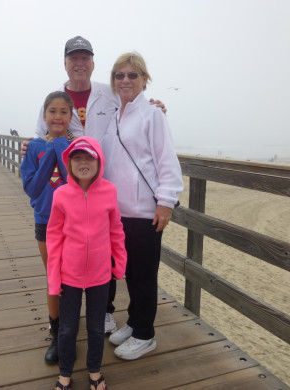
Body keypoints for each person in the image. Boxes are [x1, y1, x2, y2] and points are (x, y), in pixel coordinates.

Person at [30, 35, 167, 336]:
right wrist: (33, 145)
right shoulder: (55, 100)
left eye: (85, 58)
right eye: (73, 58)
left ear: (92, 64)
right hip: (68, 195)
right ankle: (66, 325)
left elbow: (135, 109)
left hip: (105, 192)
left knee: (106, 251)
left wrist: (155, 105)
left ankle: (104, 312)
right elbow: (42, 138)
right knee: (77, 256)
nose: (79, 64)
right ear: (65, 64)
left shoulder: (110, 93)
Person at [102, 52, 184, 361]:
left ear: (144, 79)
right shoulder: (114, 116)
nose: (125, 80)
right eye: (119, 75)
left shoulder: (152, 114)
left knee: (144, 275)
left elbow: (166, 161)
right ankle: (135, 320)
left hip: (145, 211)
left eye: (132, 75)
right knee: (128, 272)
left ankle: (145, 335)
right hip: (117, 211)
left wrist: (166, 203)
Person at [47, 136, 127, 390]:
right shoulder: (61, 194)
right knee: (68, 329)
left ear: (99, 161)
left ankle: (94, 371)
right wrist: (54, 278)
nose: (83, 162)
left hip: (100, 274)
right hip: (68, 274)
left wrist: (119, 263)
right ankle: (65, 374)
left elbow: (116, 230)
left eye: (88, 157)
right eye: (77, 158)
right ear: (68, 163)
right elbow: (54, 237)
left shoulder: (109, 191)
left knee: (95, 328)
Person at [20, 91, 75, 365]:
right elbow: (32, 188)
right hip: (45, 220)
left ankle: (71, 331)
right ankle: (56, 334)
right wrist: (50, 151)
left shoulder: (78, 146)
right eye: (52, 111)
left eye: (64, 111)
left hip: (74, 223)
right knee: (54, 278)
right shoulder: (33, 147)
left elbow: (78, 185)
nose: (57, 116)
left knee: (74, 279)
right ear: (44, 115)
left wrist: (61, 149)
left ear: (71, 116)